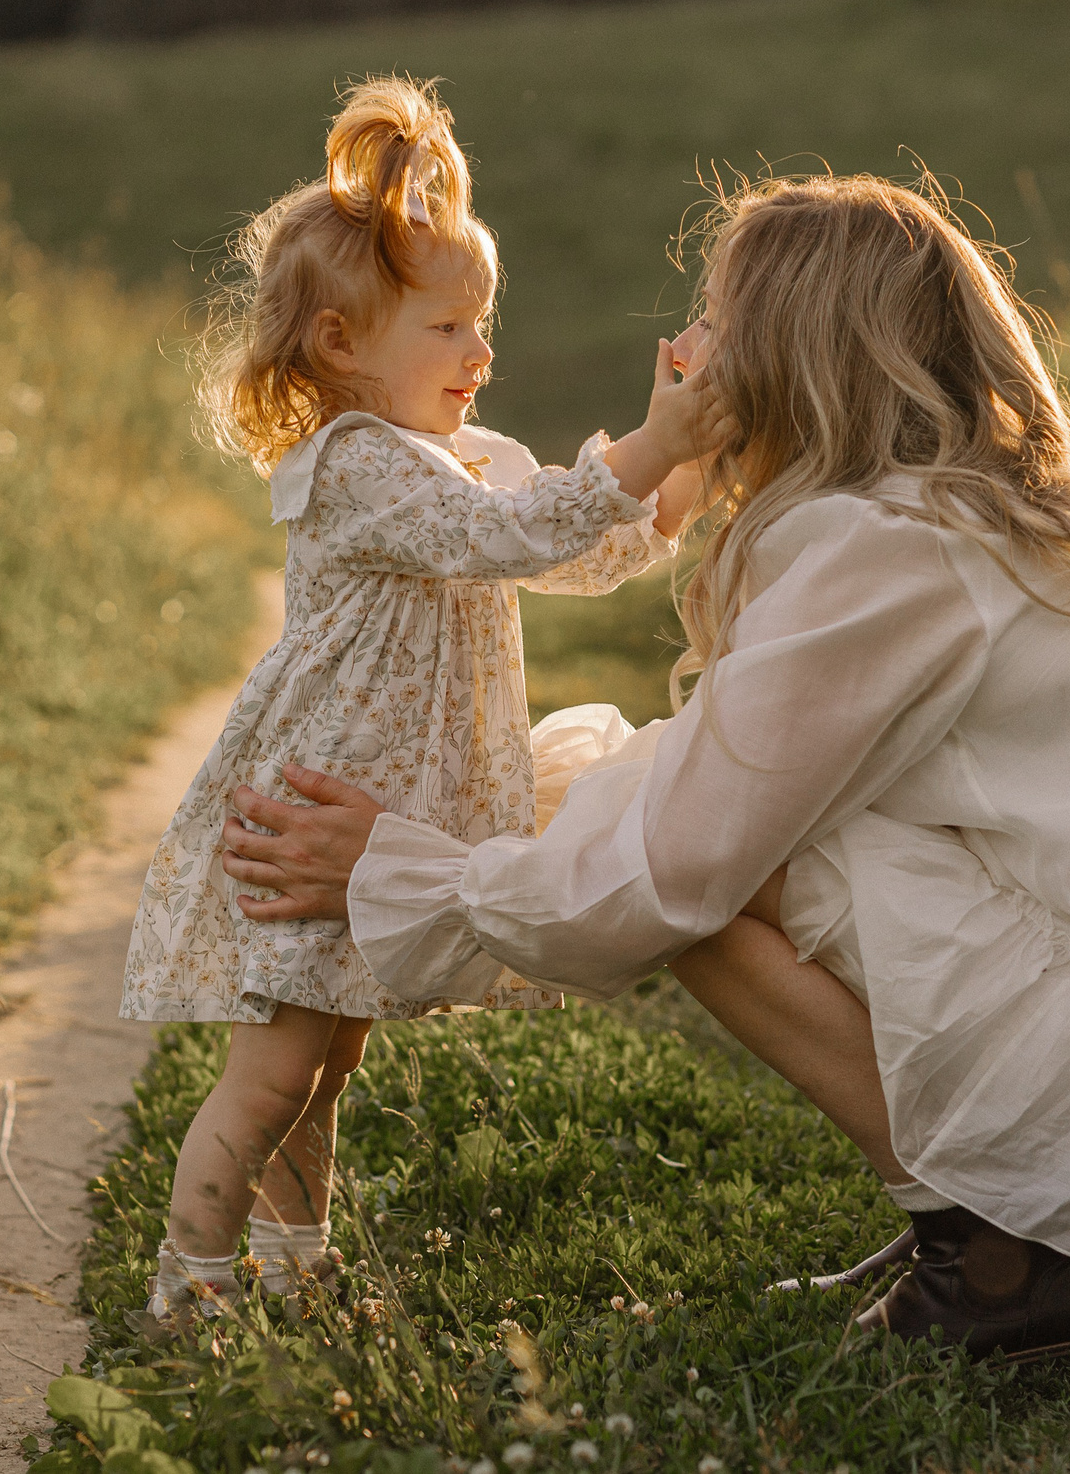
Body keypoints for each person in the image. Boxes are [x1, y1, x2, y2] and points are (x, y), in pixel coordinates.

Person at [223, 173, 1070, 1361]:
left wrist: (405, 870)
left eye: (716, 314)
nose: (691, 341)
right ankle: (992, 1205)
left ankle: (991, 1252)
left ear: (792, 351)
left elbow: (669, 873)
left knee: (703, 875)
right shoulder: (981, 499)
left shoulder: (891, 550)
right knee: (710, 812)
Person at [118, 77, 733, 1327]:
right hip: (322, 812)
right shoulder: (354, 467)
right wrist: (648, 451)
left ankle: (297, 1264)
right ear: (342, 345)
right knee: (274, 1068)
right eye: (450, 327)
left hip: (380, 825)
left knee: (326, 1061)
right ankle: (190, 1285)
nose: (480, 353)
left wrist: (687, 465)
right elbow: (510, 536)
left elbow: (573, 545)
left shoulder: (460, 462)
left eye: (484, 323)